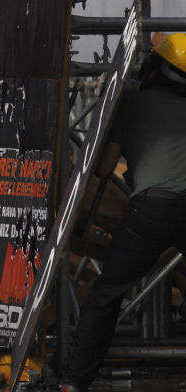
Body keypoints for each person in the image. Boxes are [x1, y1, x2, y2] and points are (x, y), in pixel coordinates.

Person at [62, 33, 186, 392]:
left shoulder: (131, 100)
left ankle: (74, 380)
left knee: (107, 293)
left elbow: (102, 169)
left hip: (152, 207)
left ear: (153, 68)